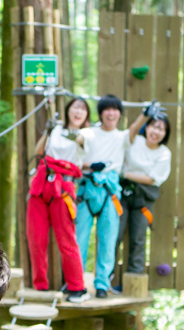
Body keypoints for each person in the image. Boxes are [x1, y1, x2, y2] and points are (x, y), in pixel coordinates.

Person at [27, 97, 91, 303]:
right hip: (41, 183)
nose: (78, 111)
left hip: (63, 187)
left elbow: (82, 143)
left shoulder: (86, 134)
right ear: (68, 110)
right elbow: (39, 153)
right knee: (36, 238)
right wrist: (49, 130)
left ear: (86, 115)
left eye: (83, 109)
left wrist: (70, 133)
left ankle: (77, 288)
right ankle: (40, 286)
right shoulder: (55, 130)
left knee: (66, 239)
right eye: (75, 107)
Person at [113, 101, 172, 292]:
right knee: (114, 234)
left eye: (161, 129)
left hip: (143, 200)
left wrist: (125, 174)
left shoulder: (164, 153)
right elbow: (131, 131)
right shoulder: (134, 141)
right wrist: (144, 115)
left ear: (165, 134)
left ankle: (132, 283)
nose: (156, 132)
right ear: (147, 128)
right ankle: (105, 280)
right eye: (154, 126)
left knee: (138, 239)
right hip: (122, 194)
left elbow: (152, 179)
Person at [73, 94, 126, 298]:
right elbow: (77, 146)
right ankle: (76, 281)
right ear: (101, 113)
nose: (111, 113)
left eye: (115, 109)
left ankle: (102, 283)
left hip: (110, 190)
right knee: (80, 238)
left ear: (120, 114)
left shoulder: (122, 137)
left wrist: (146, 115)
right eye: (107, 109)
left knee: (107, 239)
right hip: (87, 188)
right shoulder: (89, 133)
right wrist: (90, 165)